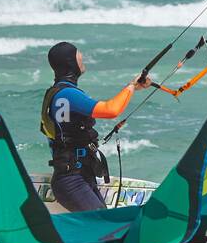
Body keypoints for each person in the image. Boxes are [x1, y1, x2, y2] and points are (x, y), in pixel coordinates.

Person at [40, 42, 150, 213]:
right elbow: (111, 110)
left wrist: (133, 88)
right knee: (104, 226)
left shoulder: (59, 93)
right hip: (72, 181)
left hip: (80, 176)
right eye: (78, 55)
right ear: (70, 62)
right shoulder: (68, 94)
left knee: (103, 227)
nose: (82, 57)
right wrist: (131, 87)